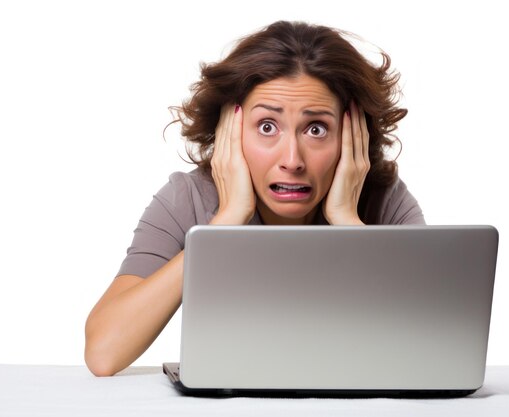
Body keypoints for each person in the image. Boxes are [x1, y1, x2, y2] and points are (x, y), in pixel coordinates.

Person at [84, 20, 425, 377]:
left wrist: (350, 226)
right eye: (267, 127)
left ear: (352, 135)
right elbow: (104, 352)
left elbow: (432, 349)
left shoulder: (384, 200)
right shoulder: (188, 199)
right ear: (230, 131)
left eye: (316, 129)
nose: (292, 160)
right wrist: (221, 226)